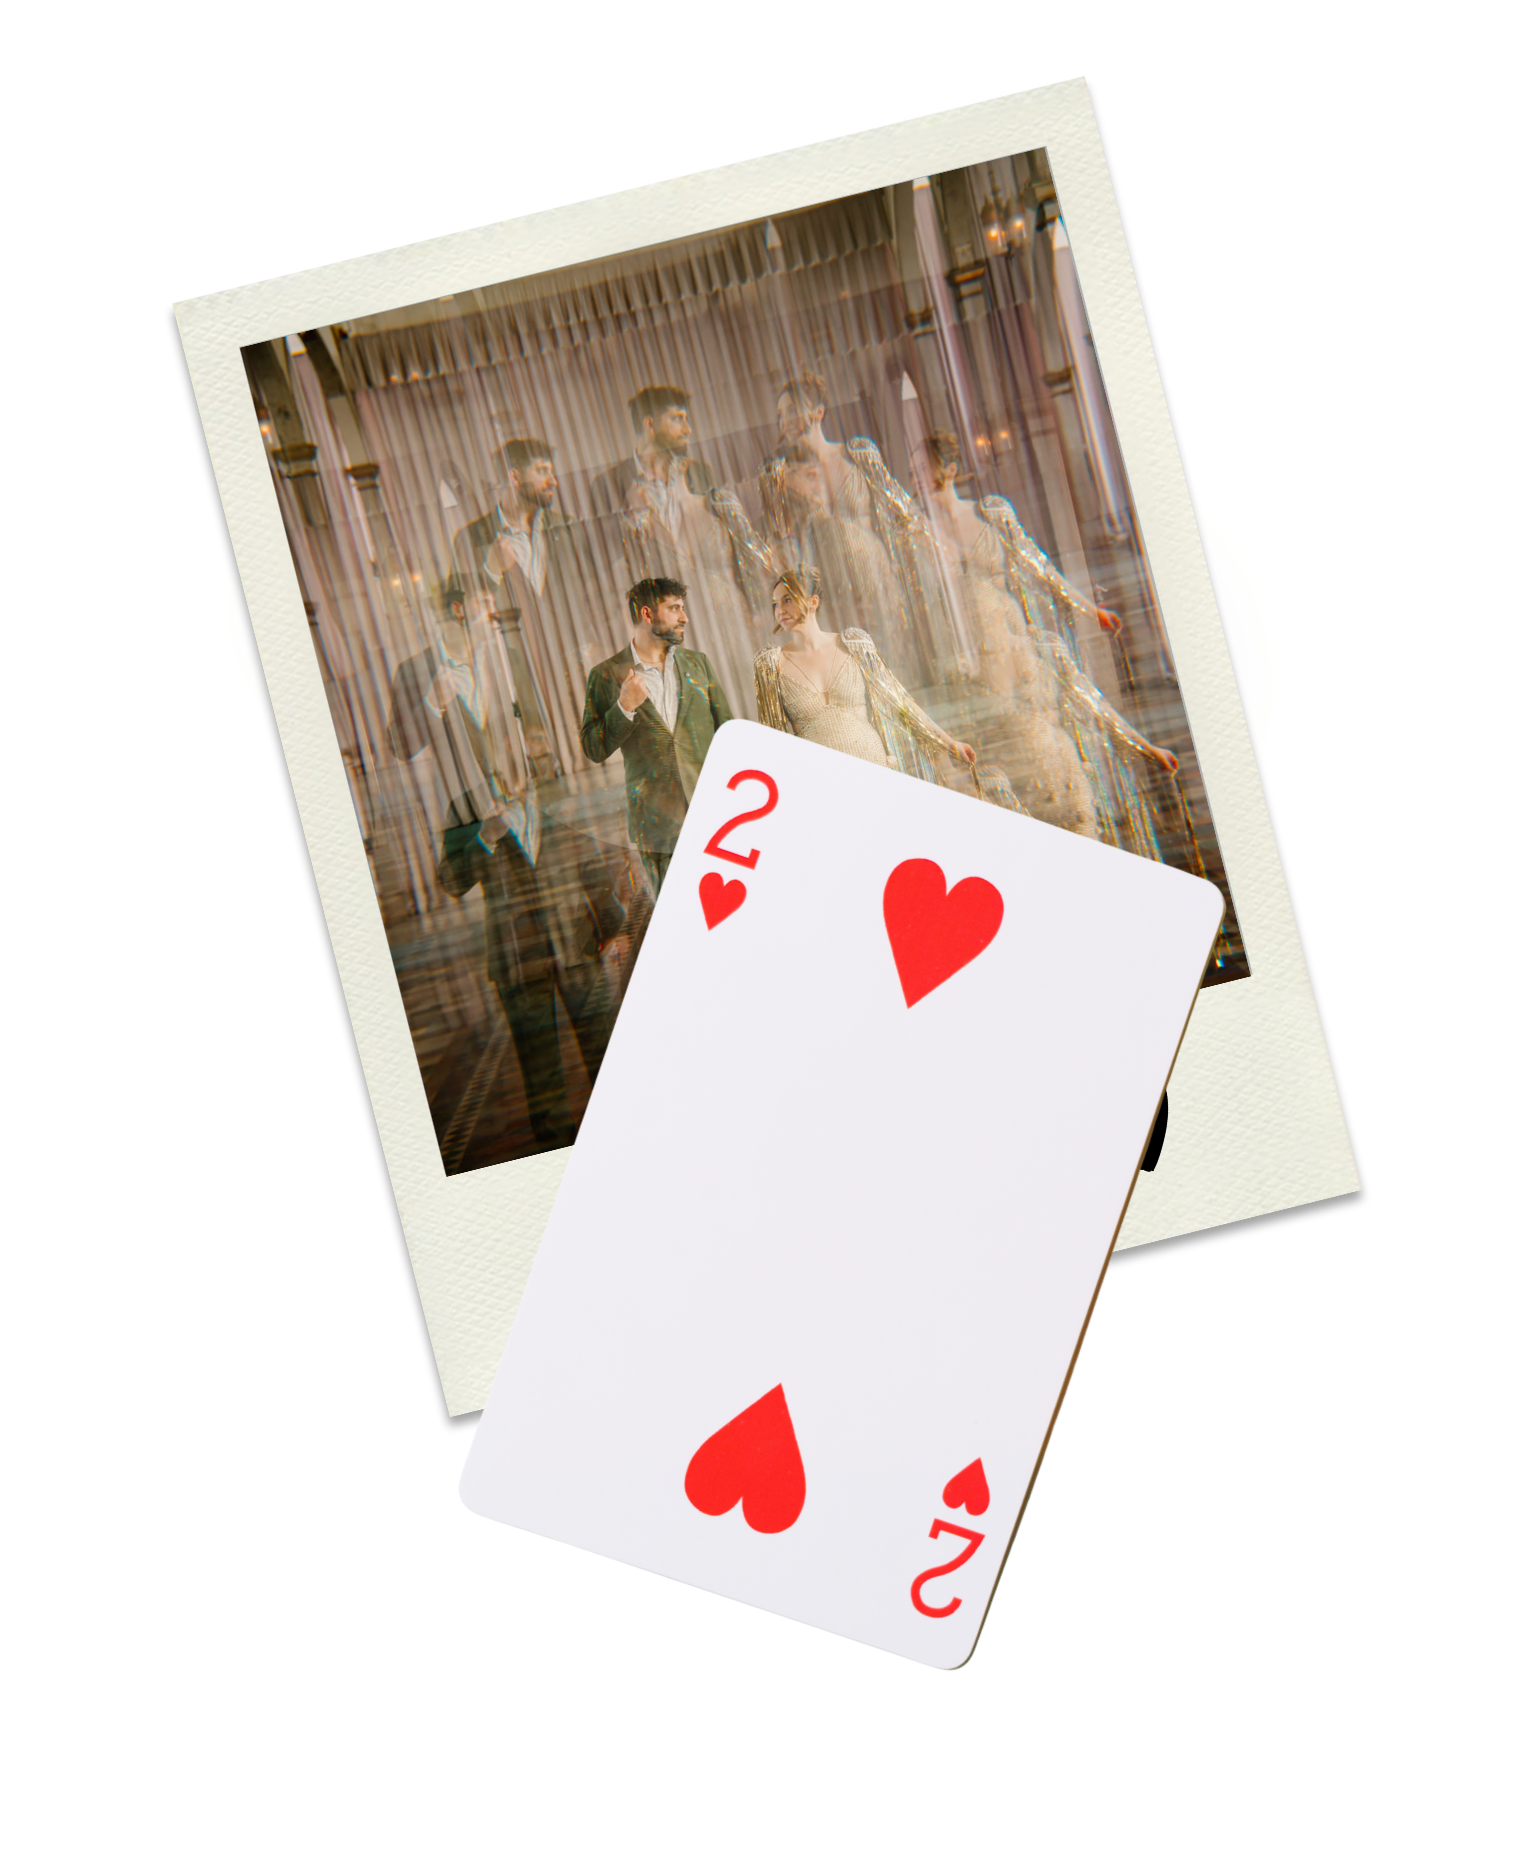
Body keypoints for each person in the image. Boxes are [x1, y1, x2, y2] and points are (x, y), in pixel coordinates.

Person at [387, 580, 639, 1152]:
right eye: (511, 744)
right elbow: (449, 882)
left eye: (529, 742)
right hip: (517, 965)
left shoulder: (552, 796)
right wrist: (486, 835)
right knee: (546, 1095)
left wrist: (615, 927)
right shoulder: (466, 811)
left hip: (577, 950)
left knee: (612, 1072)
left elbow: (588, 865)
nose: (526, 752)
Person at [916, 432, 1178, 842]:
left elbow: (1037, 563)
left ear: (947, 469)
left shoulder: (989, 515)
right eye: (913, 466)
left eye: (923, 465)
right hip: (971, 649)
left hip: (1005, 629)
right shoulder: (921, 528)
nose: (916, 474)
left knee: (1035, 709)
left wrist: (1087, 609)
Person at [752, 567, 1024, 813]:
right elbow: (774, 741)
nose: (779, 611)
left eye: (787, 599)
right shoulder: (771, 664)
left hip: (875, 775)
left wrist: (948, 741)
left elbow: (899, 701)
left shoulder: (854, 644)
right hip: (824, 788)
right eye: (775, 604)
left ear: (813, 602)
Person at [580, 577, 735, 896]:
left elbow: (728, 735)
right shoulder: (606, 675)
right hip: (657, 827)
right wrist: (624, 707)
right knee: (679, 919)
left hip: (715, 817)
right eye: (675, 608)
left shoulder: (698, 664)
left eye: (683, 608)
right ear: (648, 615)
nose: (684, 617)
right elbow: (593, 747)